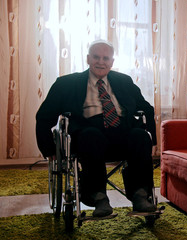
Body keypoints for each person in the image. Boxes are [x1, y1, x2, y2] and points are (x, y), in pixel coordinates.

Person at [36, 40, 157, 217]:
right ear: (87, 58)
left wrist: (152, 138)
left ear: (112, 62)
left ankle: (140, 195)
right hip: (88, 132)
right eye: (96, 57)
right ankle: (99, 197)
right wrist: (48, 147)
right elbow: (44, 115)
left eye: (106, 58)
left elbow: (147, 109)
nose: (101, 62)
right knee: (91, 136)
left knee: (140, 136)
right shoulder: (66, 83)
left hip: (122, 131)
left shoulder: (124, 81)